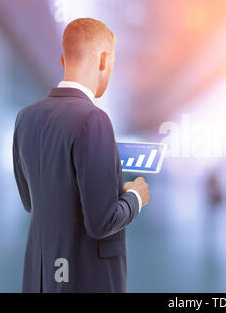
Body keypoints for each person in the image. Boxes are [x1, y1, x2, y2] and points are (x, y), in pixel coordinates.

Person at [12, 18, 149, 293]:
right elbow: (102, 222)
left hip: (40, 276)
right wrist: (135, 197)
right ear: (103, 59)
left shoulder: (25, 118)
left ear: (64, 59)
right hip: (84, 279)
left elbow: (30, 201)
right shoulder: (93, 120)